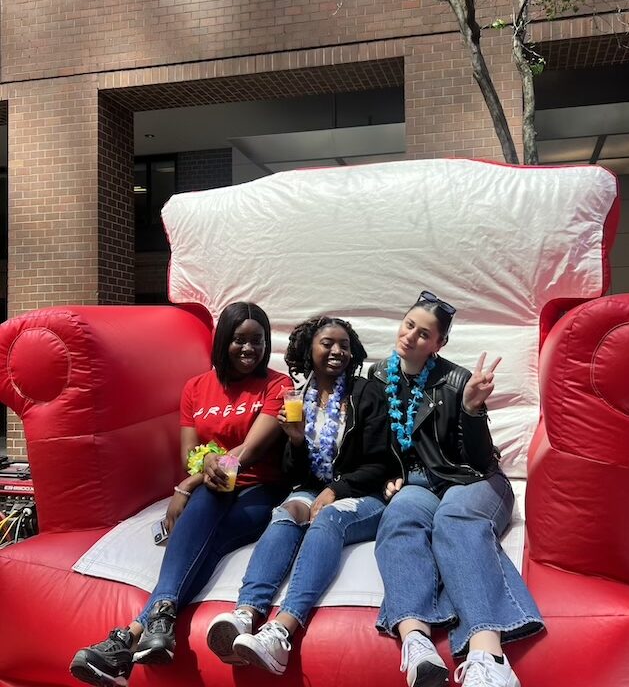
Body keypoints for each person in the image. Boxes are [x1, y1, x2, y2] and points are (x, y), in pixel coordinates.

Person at [70, 302, 291, 687]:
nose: (248, 349)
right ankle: (153, 627)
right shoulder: (195, 387)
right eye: (239, 339)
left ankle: (132, 633)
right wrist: (195, 477)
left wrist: (185, 487)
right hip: (211, 490)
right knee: (207, 515)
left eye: (258, 341)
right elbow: (191, 456)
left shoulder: (277, 385)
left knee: (206, 523)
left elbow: (250, 451)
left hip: (258, 489)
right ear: (224, 340)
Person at [369, 291, 543, 687]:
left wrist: (472, 409)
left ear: (438, 344)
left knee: (454, 519)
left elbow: (480, 459)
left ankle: (489, 654)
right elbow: (375, 444)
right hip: (418, 483)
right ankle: (416, 640)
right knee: (398, 518)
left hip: (472, 479)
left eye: (424, 333)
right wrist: (386, 478)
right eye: (409, 325)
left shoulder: (457, 379)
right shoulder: (378, 375)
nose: (411, 336)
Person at [206, 316, 392, 675]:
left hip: (363, 494)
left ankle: (281, 632)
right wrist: (294, 439)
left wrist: (335, 490)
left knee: (327, 520)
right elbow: (294, 475)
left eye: (344, 344)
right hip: (310, 488)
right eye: (327, 343)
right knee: (285, 513)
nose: (337, 351)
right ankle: (246, 614)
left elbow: (380, 464)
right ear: (309, 349)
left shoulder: (366, 394)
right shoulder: (299, 398)